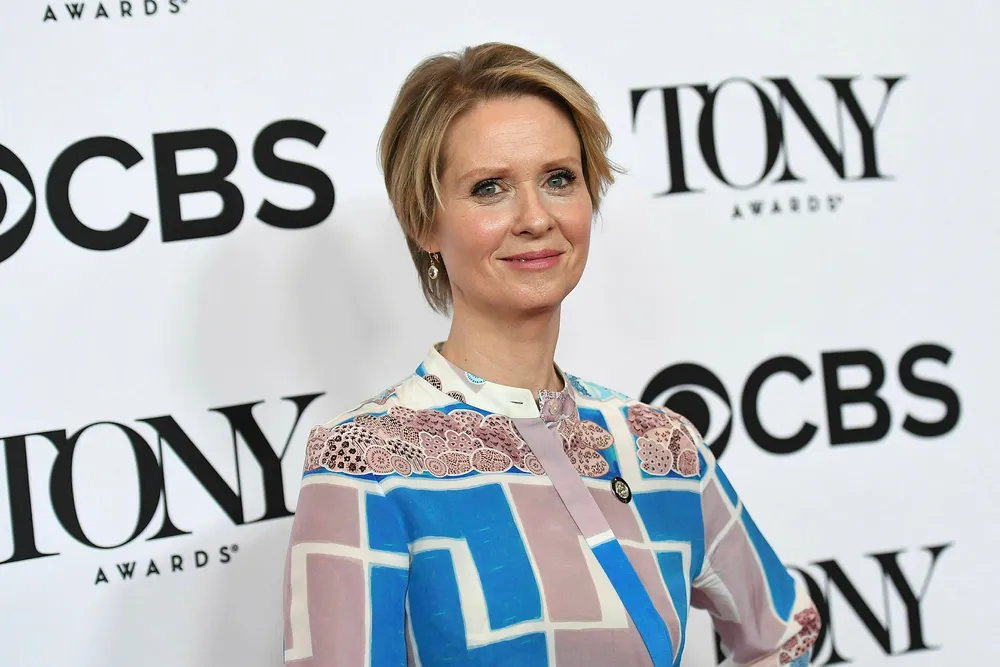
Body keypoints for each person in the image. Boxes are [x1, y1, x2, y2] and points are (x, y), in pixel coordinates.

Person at [281, 42, 820, 667]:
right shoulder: (366, 466)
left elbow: (785, 631)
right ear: (423, 222)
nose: (535, 218)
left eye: (559, 179)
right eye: (489, 188)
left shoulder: (661, 447)